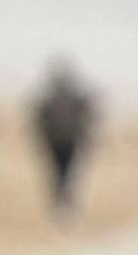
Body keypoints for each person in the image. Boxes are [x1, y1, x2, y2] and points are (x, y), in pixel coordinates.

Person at [30, 58, 100, 222]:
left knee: (62, 173)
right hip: (62, 142)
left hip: (62, 142)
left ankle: (62, 204)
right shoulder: (68, 98)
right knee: (64, 173)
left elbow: (39, 119)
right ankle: (63, 204)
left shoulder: (54, 99)